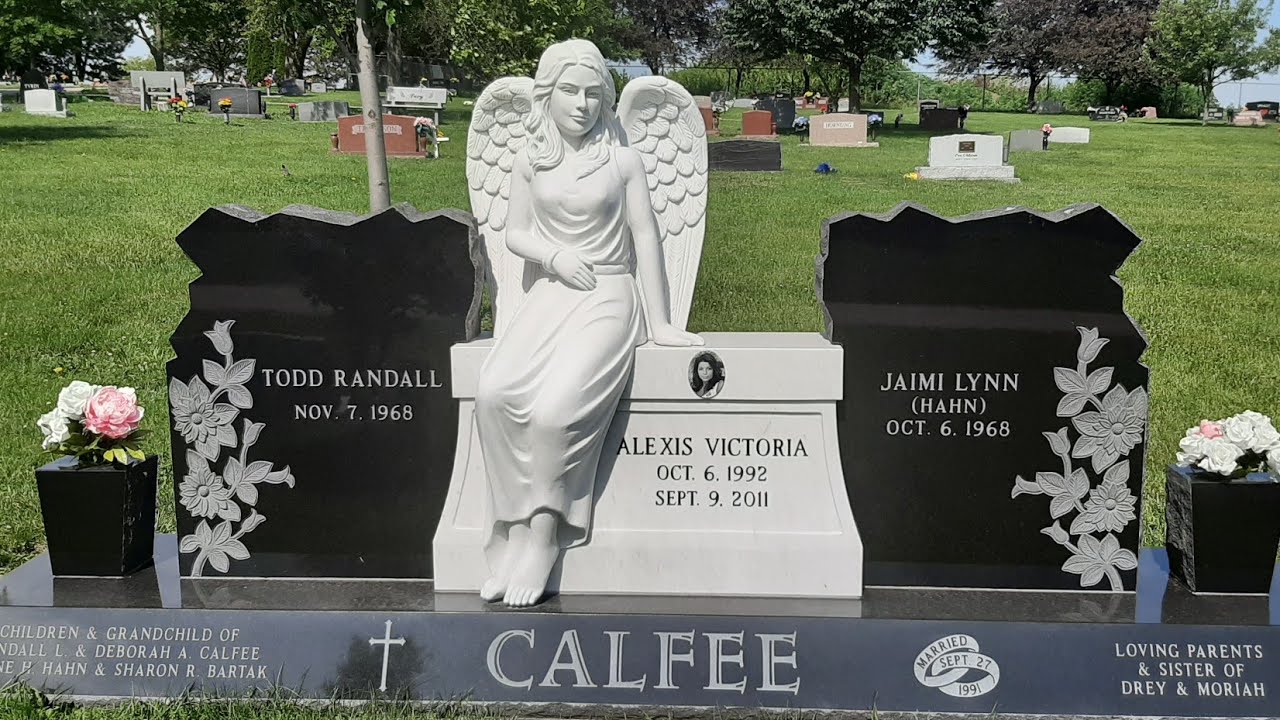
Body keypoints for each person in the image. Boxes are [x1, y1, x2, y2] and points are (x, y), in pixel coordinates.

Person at [474, 39, 703, 608]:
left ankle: (544, 535)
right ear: (548, 95)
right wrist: (553, 258)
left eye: (593, 94)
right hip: (553, 291)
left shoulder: (622, 159)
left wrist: (663, 321)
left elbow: (646, 235)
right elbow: (515, 232)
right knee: (494, 392)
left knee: (555, 411)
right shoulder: (532, 157)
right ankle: (512, 526)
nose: (581, 104)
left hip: (607, 294)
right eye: (570, 92)